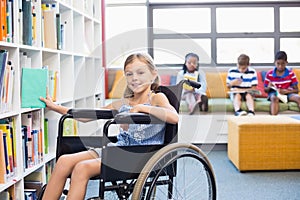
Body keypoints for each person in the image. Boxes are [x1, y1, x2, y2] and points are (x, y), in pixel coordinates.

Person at [39, 53, 179, 200]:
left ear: (153, 74)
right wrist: (55, 107)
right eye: (129, 74)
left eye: (140, 73)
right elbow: (89, 116)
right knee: (63, 161)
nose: (134, 78)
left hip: (140, 155)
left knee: (82, 168)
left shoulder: (157, 97)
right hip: (118, 148)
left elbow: (173, 117)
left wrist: (141, 108)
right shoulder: (125, 102)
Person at [264, 51, 300, 115]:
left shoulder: (290, 73)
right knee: (274, 98)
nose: (280, 66)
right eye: (278, 64)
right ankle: (274, 120)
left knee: (298, 98)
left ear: (286, 63)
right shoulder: (269, 74)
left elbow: (297, 90)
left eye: (283, 64)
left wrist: (286, 92)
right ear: (274, 62)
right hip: (274, 94)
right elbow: (265, 90)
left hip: (288, 94)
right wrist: (269, 87)